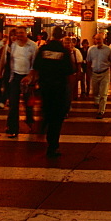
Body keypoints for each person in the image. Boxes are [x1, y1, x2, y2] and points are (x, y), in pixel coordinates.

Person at [32, 27, 73, 157]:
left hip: (45, 87)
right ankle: (53, 145)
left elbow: (36, 67)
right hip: (59, 89)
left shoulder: (43, 50)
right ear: (62, 36)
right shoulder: (64, 52)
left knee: (47, 111)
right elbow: (70, 72)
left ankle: (43, 126)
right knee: (57, 118)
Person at [4, 29, 37, 138]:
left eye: (21, 33)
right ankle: (13, 128)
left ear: (26, 33)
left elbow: (35, 63)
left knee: (28, 103)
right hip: (15, 76)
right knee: (13, 104)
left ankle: (30, 122)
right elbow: (11, 61)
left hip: (27, 77)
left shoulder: (32, 46)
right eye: (17, 33)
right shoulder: (13, 45)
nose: (19, 35)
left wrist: (30, 76)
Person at [87, 31, 111, 119]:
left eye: (99, 39)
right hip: (95, 73)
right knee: (95, 91)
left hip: (105, 73)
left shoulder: (108, 49)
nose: (98, 41)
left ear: (103, 40)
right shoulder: (91, 49)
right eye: (96, 39)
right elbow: (88, 61)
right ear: (94, 40)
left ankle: (101, 111)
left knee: (103, 93)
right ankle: (97, 102)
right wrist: (88, 73)